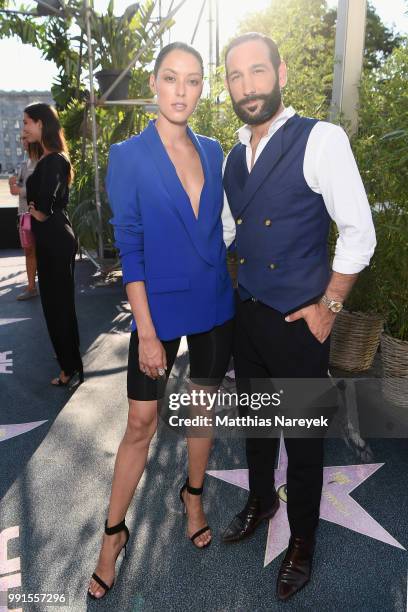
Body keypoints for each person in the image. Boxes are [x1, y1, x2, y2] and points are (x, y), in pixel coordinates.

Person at [221, 33, 376, 601]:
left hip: (299, 324)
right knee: (258, 427)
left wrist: (329, 306)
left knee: (304, 441)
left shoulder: (321, 138)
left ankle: (303, 541)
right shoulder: (234, 154)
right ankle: (262, 501)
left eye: (257, 72)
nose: (248, 86)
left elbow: (360, 231)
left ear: (281, 72)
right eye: (236, 76)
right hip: (250, 317)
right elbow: (231, 233)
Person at [87, 42, 234, 601]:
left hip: (216, 304)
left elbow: (219, 224)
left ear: (201, 88)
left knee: (203, 407)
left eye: (193, 81)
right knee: (141, 424)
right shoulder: (128, 156)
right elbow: (131, 245)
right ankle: (112, 535)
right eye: (171, 78)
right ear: (153, 83)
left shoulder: (215, 150)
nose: (181, 90)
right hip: (159, 313)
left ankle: (192, 495)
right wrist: (146, 332)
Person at [23, 103, 83, 387]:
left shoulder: (54, 160)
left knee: (56, 306)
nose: (24, 129)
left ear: (40, 124)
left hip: (54, 239)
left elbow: (45, 206)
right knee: (59, 305)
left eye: (27, 123)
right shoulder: (51, 158)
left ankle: (68, 368)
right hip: (55, 238)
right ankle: (70, 366)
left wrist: (35, 209)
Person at [9, 137, 42, 300]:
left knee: (43, 250)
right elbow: (17, 188)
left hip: (41, 214)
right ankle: (31, 287)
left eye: (25, 139)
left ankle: (46, 286)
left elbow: (43, 191)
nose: (23, 142)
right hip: (24, 215)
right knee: (29, 250)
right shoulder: (24, 163)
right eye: (22, 140)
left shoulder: (44, 163)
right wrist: (12, 184)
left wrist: (19, 190)